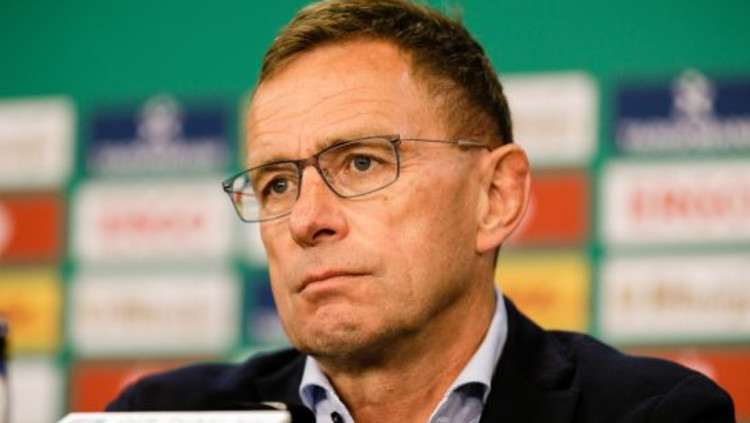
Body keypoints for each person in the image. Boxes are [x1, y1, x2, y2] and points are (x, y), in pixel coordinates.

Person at [107, 0, 735, 421]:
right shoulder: (158, 415)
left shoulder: (653, 414)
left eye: (361, 163)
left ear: (495, 197)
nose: (305, 220)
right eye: (277, 183)